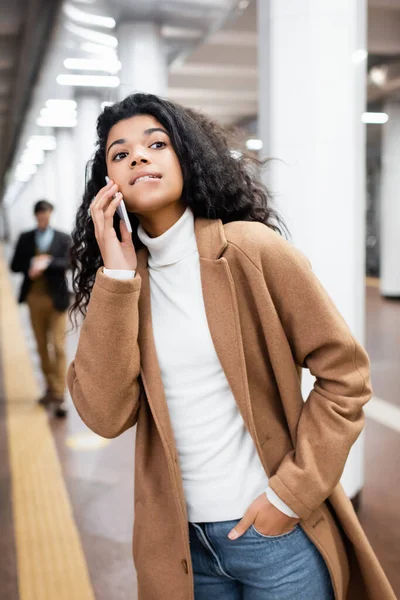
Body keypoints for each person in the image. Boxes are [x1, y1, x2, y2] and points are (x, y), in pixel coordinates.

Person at [67, 93, 396, 600]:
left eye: (157, 143)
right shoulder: (125, 286)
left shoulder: (250, 250)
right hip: (178, 546)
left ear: (187, 158)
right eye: (120, 153)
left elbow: (345, 376)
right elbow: (106, 415)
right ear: (108, 186)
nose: (138, 157)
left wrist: (289, 497)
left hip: (275, 536)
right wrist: (114, 274)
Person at [11, 200, 70, 418]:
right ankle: (50, 387)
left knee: (59, 345)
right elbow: (14, 265)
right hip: (34, 298)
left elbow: (70, 262)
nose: (43, 220)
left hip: (57, 300)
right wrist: (31, 264)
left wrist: (49, 262)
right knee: (42, 346)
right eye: (40, 217)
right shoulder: (26, 239)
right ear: (35, 216)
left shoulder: (63, 237)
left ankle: (60, 393)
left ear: (50, 214)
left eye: (46, 216)